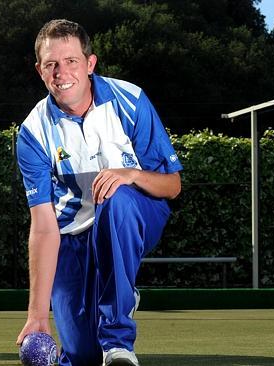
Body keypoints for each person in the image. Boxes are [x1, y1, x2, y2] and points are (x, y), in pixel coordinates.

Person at [15, 19, 182, 366]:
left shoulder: (130, 99)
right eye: (51, 65)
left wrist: (132, 174)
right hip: (74, 235)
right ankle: (112, 302)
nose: (62, 73)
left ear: (90, 64)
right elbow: (45, 227)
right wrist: (37, 314)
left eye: (71, 61)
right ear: (39, 71)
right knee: (82, 355)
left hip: (135, 214)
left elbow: (172, 186)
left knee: (115, 196)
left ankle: (118, 340)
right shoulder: (32, 133)